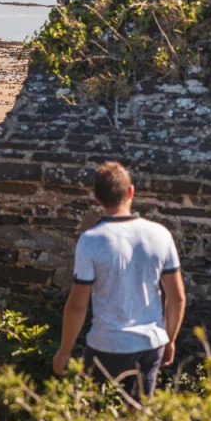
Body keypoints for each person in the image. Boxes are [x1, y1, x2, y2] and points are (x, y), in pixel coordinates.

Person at [53, 162, 186, 400]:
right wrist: (170, 339)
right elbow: (176, 297)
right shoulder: (160, 234)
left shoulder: (91, 241)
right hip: (150, 342)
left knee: (98, 418)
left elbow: (77, 305)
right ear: (131, 192)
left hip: (107, 344)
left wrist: (64, 351)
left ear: (96, 198)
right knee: (137, 418)